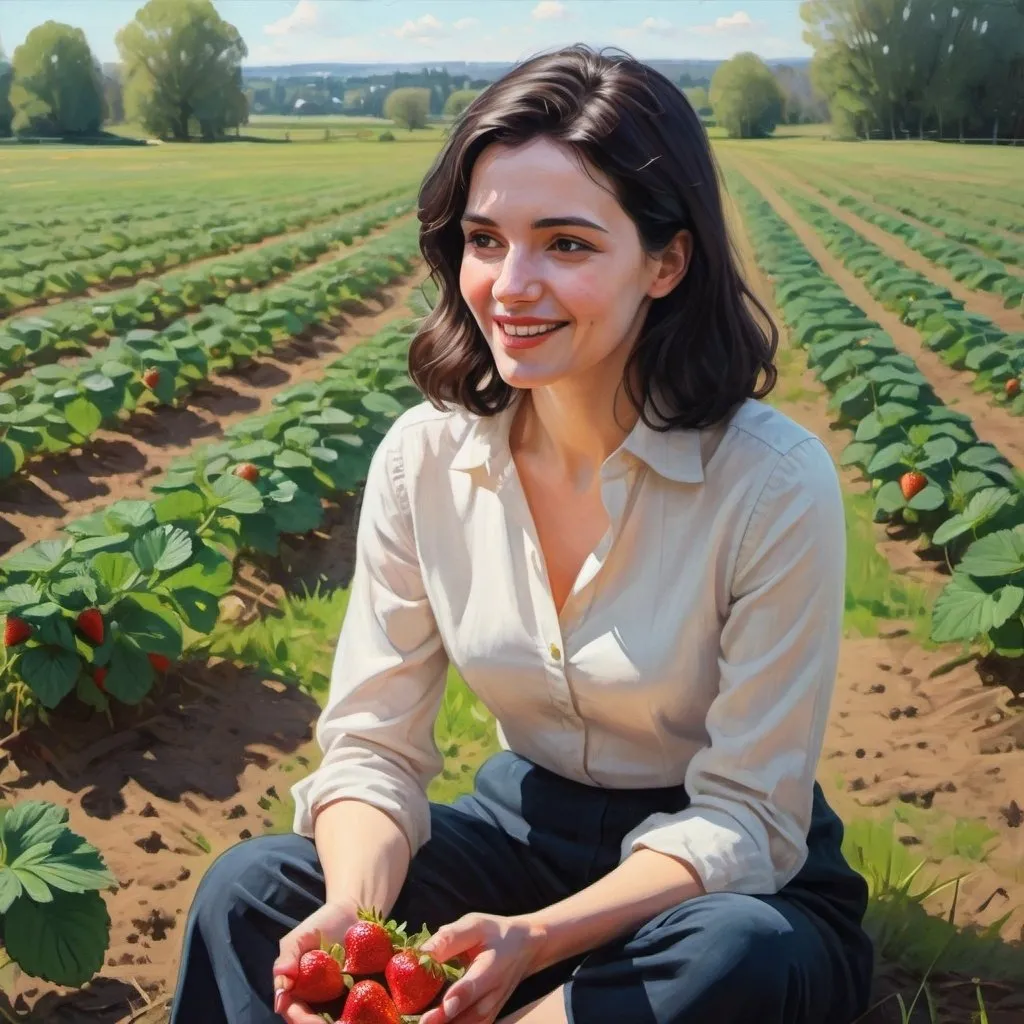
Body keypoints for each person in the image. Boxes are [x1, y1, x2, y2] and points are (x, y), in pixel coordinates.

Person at [169, 44, 874, 1024]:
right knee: (250, 891)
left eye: (567, 244)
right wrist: (352, 914)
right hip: (522, 831)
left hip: (711, 875)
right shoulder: (425, 459)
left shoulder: (770, 482)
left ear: (665, 262)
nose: (510, 282)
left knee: (734, 959)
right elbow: (372, 746)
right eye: (484, 239)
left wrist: (536, 939)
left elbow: (749, 815)